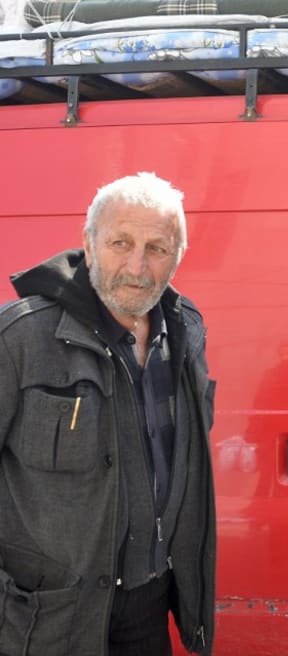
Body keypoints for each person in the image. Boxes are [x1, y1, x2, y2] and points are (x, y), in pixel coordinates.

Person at [0, 173, 216, 655]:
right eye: (120, 242)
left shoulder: (185, 334)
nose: (137, 266)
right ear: (89, 244)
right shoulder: (18, 340)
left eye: (157, 248)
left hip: (146, 603)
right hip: (47, 616)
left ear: (178, 256)